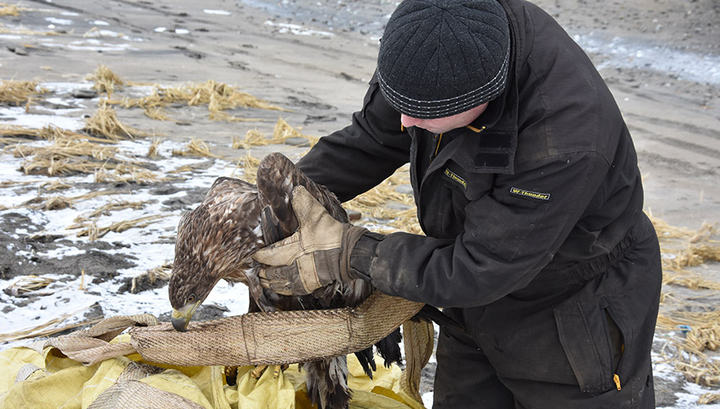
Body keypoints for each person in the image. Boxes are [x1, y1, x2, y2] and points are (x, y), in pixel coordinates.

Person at [252, 0, 663, 407]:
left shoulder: (562, 140)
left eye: (424, 115)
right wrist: (283, 202)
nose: (406, 124)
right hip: (473, 304)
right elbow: (374, 138)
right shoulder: (430, 35)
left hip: (573, 312)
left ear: (482, 97)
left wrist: (350, 253)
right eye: (402, 104)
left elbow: (480, 267)